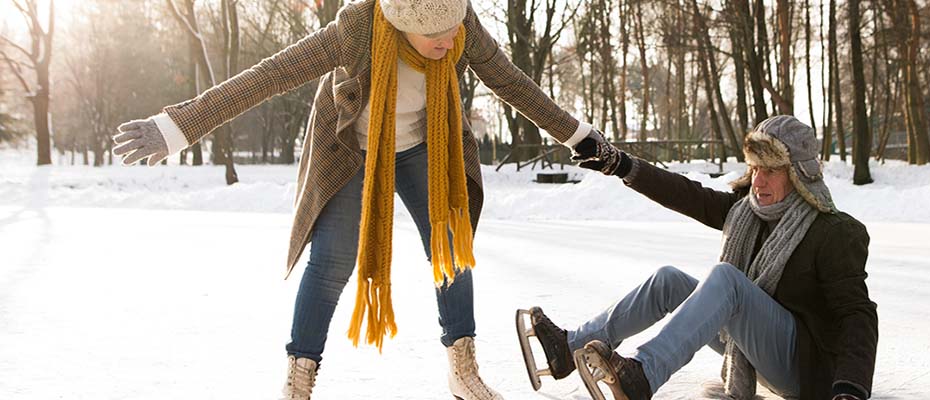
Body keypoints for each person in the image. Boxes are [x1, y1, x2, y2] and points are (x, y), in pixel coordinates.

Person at [110, 0, 597, 398]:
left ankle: (462, 369)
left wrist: (578, 136)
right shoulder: (358, 28)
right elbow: (270, 75)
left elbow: (511, 82)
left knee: (451, 247)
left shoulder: (459, 23)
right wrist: (178, 127)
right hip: (352, 147)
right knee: (330, 262)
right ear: (404, 24)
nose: (450, 42)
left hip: (423, 145)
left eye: (454, 30)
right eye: (437, 37)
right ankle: (299, 378)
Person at [523, 116, 879, 400]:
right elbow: (687, 194)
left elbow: (857, 314)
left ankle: (644, 375)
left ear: (800, 173)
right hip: (751, 349)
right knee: (669, 280)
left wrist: (849, 388)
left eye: (771, 170)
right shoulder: (747, 212)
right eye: (755, 168)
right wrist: (620, 164)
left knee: (727, 281)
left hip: (802, 367)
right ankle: (567, 350)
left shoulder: (833, 231)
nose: (758, 181)